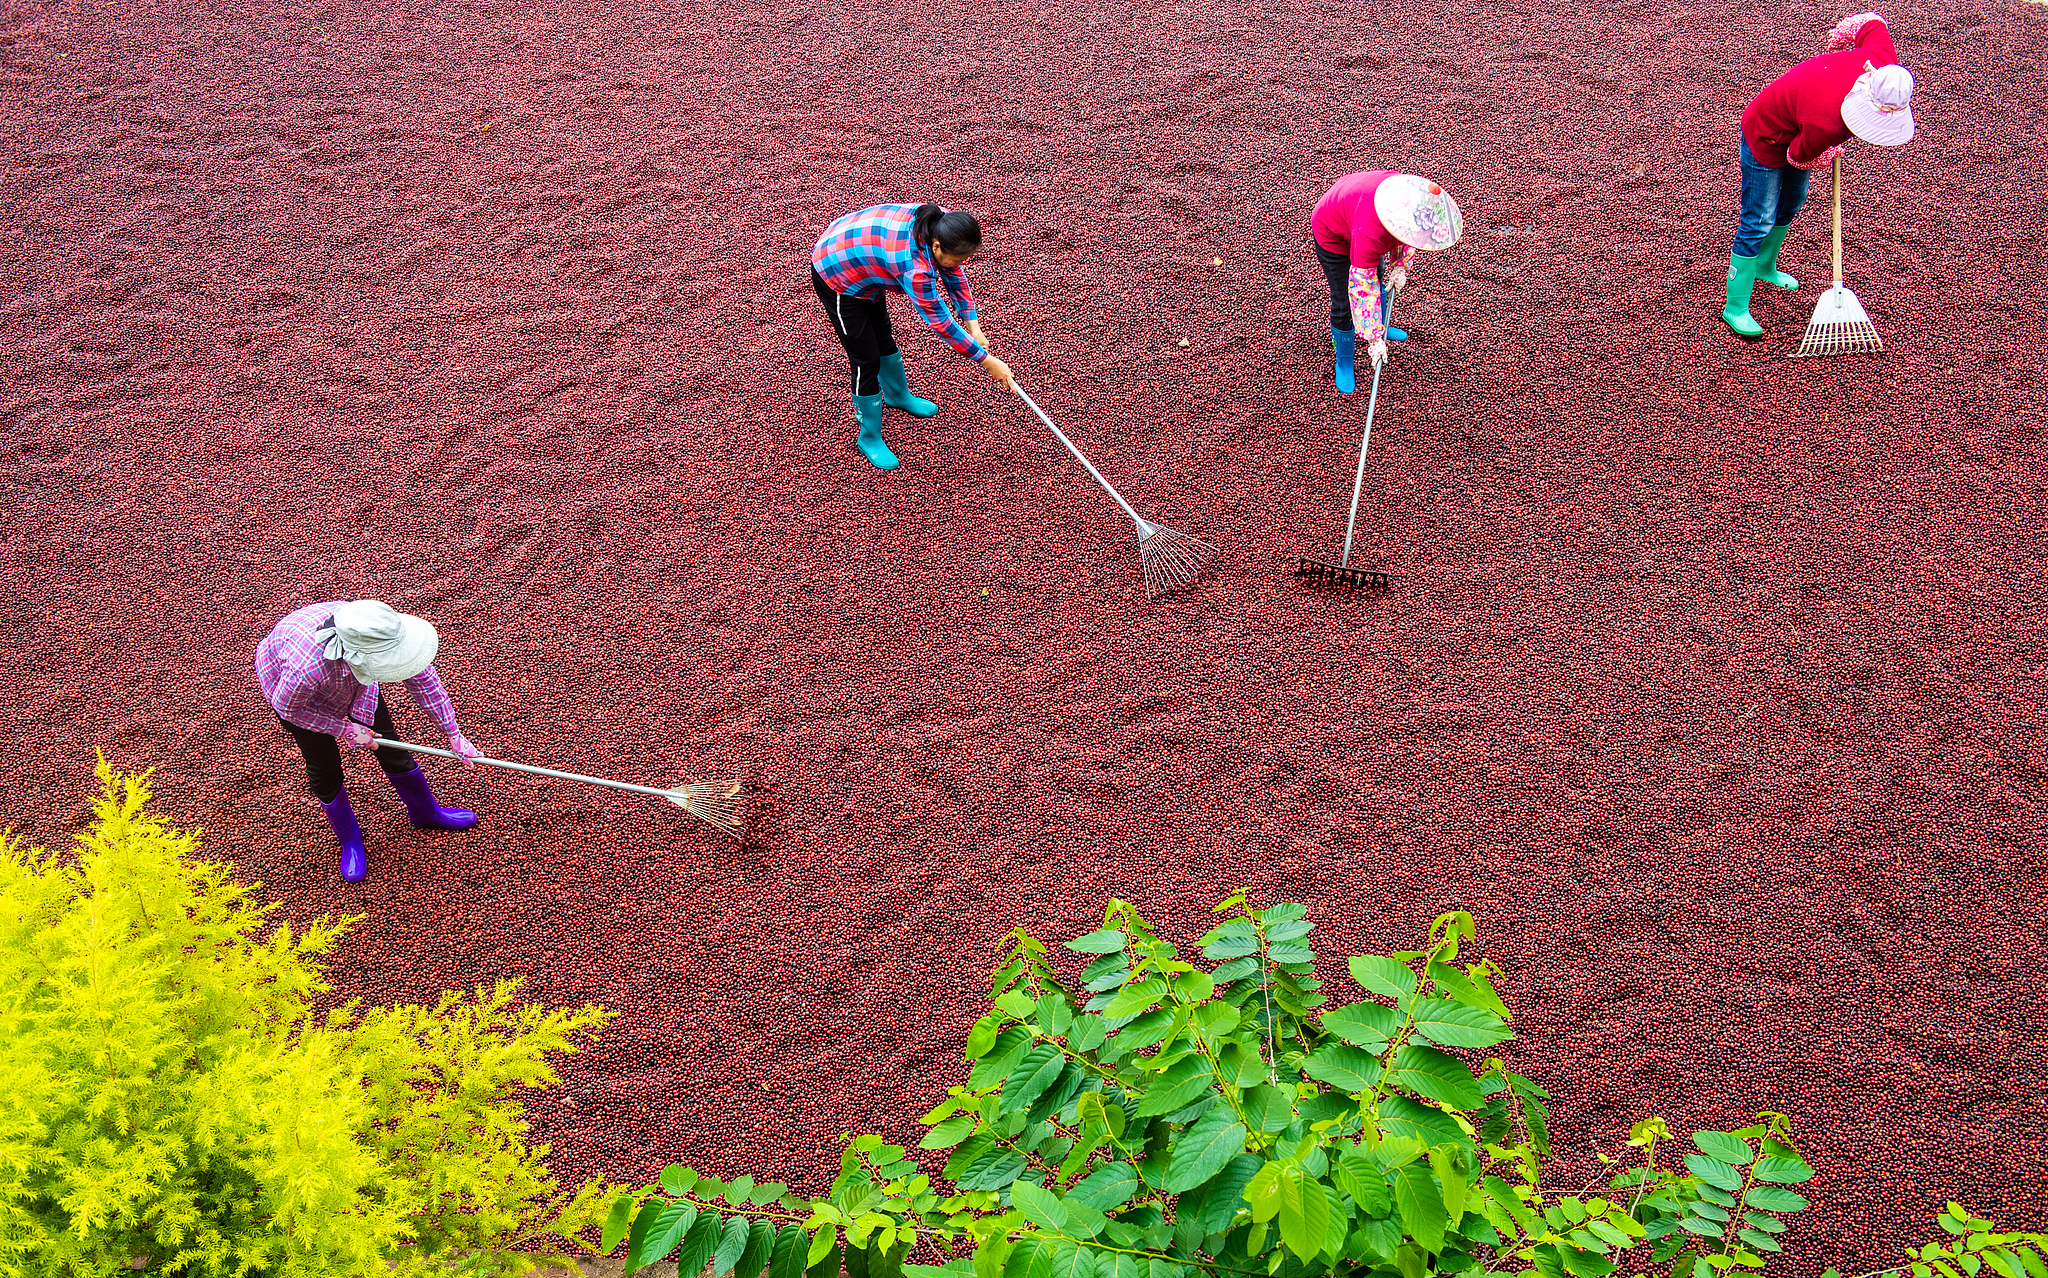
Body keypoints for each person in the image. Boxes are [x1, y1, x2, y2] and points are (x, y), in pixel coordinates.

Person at [255, 599, 481, 882]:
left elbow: (424, 681)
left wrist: (454, 735)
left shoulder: (381, 629)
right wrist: (345, 729)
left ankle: (426, 813)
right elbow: (288, 708)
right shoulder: (306, 670)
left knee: (390, 745)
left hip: (354, 682)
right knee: (324, 768)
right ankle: (350, 839)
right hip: (303, 702)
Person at [1722, 11, 1915, 337]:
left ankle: (1764, 267)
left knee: (1794, 199)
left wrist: (1841, 37)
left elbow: (1871, 22)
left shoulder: (1886, 64)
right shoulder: (1828, 122)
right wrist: (1826, 152)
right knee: (1759, 217)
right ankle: (1735, 306)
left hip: (1799, 125)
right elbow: (1796, 156)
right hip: (1767, 134)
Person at [811, 202, 1014, 471]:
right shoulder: (913, 268)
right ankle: (869, 436)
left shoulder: (942, 223)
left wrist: (974, 326)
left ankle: (897, 396)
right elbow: (942, 324)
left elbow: (954, 272)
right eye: (955, 258)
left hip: (866, 260)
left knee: (883, 336)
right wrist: (988, 361)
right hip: (838, 273)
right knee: (865, 359)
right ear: (937, 246)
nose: (958, 265)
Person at [1311, 173, 1464, 393]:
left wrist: (1401, 264)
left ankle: (1380, 324)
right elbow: (1362, 288)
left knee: (1379, 274)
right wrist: (1373, 339)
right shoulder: (1371, 234)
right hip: (1333, 232)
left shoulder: (1413, 195)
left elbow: (1412, 233)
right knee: (1344, 302)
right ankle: (1344, 361)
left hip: (1356, 208)